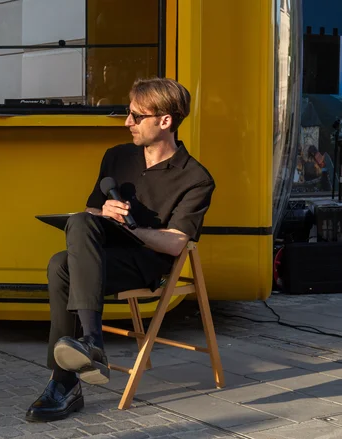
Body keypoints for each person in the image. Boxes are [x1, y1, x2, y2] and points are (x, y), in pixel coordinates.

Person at [25, 78, 215, 422]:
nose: (127, 122)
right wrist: (104, 212)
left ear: (165, 120)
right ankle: (92, 344)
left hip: (146, 263)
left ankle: (63, 382)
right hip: (102, 253)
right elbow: (91, 211)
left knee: (59, 266)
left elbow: (175, 243)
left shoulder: (195, 178)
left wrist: (132, 227)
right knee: (75, 233)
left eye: (134, 116)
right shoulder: (117, 157)